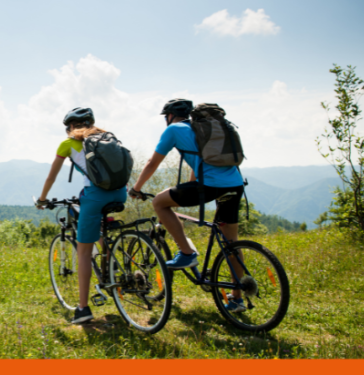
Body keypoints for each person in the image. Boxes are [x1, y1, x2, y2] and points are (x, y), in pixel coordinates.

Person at [129, 99, 247, 313]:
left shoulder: (174, 129)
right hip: (235, 184)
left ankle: (186, 252)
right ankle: (237, 297)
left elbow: (152, 163)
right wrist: (190, 184)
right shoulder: (202, 129)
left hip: (210, 185)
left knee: (159, 203)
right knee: (231, 243)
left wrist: (136, 188)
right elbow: (198, 161)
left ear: (170, 116)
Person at [36, 107, 127, 324]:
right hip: (120, 193)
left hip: (95, 196)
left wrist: (42, 199)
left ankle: (83, 309)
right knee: (96, 225)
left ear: (71, 127)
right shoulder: (106, 139)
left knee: (84, 253)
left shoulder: (68, 144)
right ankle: (111, 265)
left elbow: (51, 177)